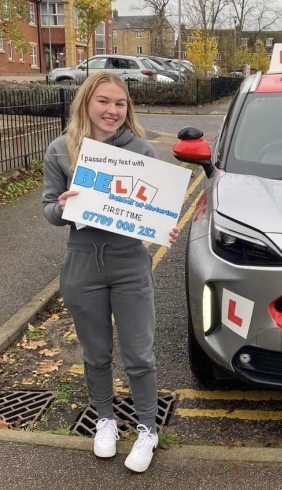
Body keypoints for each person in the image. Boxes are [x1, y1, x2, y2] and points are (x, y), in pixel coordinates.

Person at [42, 72, 179, 473]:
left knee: (139, 355)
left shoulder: (140, 150)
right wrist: (63, 206)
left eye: (120, 103)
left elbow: (155, 209)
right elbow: (50, 210)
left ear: (127, 108)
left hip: (129, 262)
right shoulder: (61, 150)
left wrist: (165, 223)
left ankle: (147, 429)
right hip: (82, 262)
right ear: (86, 102)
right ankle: (104, 419)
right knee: (96, 353)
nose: (112, 110)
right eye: (103, 101)